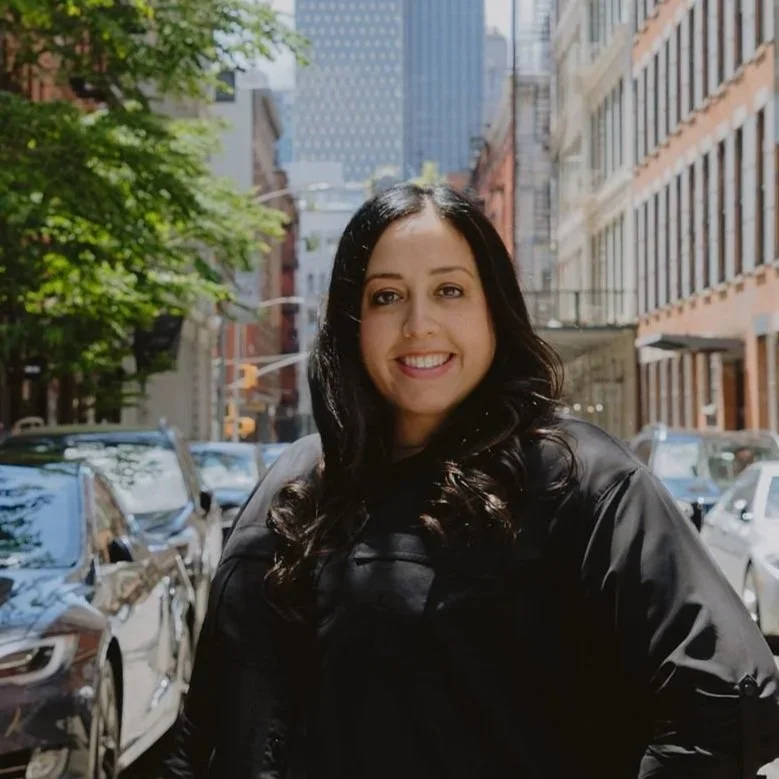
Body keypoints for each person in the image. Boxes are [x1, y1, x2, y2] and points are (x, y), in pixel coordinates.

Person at [164, 183, 779, 779]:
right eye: (385, 297)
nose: (418, 324)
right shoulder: (294, 484)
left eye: (450, 290)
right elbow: (207, 725)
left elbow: (727, 693)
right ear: (351, 321)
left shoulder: (579, 480)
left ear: (495, 309)